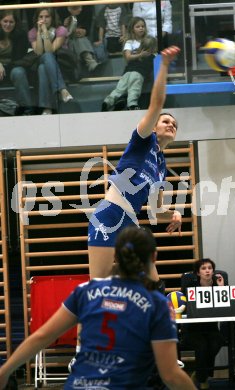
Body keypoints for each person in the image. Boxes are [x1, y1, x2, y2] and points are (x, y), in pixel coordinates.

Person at [0, 226, 196, 390]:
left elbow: (42, 336)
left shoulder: (86, 291)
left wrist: (5, 370)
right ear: (154, 257)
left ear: (115, 256)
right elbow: (170, 375)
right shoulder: (157, 304)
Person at [88, 45, 182, 282]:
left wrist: (173, 215)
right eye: (166, 121)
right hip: (110, 215)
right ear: (155, 126)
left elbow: (155, 211)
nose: (170, 124)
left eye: (174, 125)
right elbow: (156, 104)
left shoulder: (162, 165)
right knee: (98, 283)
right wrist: (164, 65)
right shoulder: (143, 140)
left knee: (152, 282)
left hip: (131, 223)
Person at [181, 259, 226, 390]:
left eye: (210, 268)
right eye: (203, 268)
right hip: (192, 329)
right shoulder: (190, 287)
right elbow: (183, 307)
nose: (207, 271)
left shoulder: (219, 286)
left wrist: (221, 288)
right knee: (202, 345)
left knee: (215, 343)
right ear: (198, 273)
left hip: (211, 329)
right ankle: (204, 378)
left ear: (213, 271)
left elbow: (226, 308)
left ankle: (200, 375)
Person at [101, 18, 157, 111]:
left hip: (128, 71)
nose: (141, 28)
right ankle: (132, 104)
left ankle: (108, 101)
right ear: (132, 29)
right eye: (138, 26)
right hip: (136, 72)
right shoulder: (131, 42)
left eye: (143, 26)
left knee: (120, 89)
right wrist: (140, 55)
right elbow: (128, 57)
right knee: (134, 88)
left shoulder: (147, 41)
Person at [28, 7, 73, 115]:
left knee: (44, 65)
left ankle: (46, 108)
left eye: (47, 16)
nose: (44, 19)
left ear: (52, 18)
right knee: (43, 64)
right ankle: (62, 90)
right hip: (42, 62)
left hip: (60, 64)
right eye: (41, 17)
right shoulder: (32, 32)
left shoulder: (60, 29)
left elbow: (50, 50)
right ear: (36, 18)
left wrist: (45, 31)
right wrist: (39, 32)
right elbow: (39, 52)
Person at [0, 10, 33, 115]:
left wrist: (4, 67)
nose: (8, 24)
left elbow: (19, 59)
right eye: (5, 21)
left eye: (11, 22)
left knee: (18, 72)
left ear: (15, 23)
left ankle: (27, 110)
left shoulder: (20, 35)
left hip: (13, 67)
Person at [59, 4, 99, 72]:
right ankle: (90, 62)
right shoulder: (60, 10)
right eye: (76, 8)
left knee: (80, 39)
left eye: (80, 7)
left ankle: (88, 62)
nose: (80, 9)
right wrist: (65, 27)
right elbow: (60, 32)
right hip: (65, 42)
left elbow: (88, 28)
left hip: (81, 39)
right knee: (76, 40)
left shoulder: (87, 8)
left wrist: (84, 31)